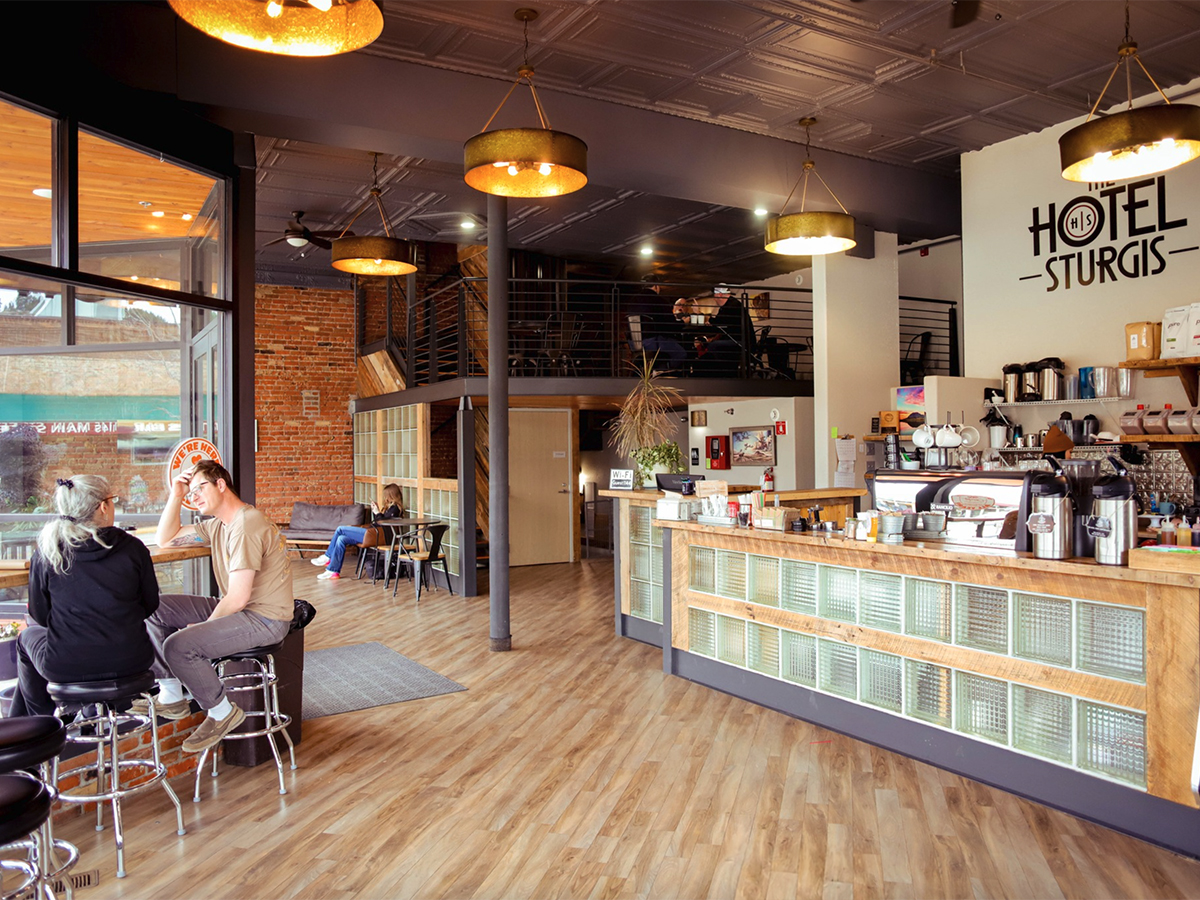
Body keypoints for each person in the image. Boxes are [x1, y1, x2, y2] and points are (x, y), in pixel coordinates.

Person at [147, 460, 294, 754]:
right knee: (153, 607)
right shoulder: (218, 525)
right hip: (243, 610)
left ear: (221, 485)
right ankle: (172, 693)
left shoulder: (246, 525)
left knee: (179, 645)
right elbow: (165, 539)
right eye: (191, 493)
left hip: (264, 619)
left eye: (199, 489)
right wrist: (176, 494)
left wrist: (203, 627)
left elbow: (237, 598)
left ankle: (221, 712)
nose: (194, 497)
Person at [10, 475, 159, 718]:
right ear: (103, 506)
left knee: (26, 638)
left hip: (68, 667)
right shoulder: (133, 548)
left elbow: (40, 615)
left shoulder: (49, 551)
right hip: (133, 661)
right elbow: (150, 604)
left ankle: (42, 725)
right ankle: (72, 717)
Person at [311, 483, 403, 580]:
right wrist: (376, 512)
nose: (385, 498)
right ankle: (333, 571)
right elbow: (379, 521)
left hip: (375, 535)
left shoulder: (395, 509)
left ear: (391, 495)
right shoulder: (389, 508)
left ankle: (328, 556)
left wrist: (377, 513)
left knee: (340, 529)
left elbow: (384, 524)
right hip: (373, 533)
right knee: (341, 539)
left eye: (386, 495)